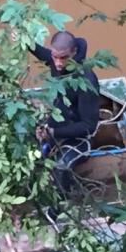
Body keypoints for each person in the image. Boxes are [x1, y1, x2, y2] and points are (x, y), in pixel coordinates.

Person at [31, 31, 100, 194]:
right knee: (30, 154)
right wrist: (25, 41)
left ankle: (61, 207)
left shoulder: (86, 79)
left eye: (63, 58)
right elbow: (42, 53)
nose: (58, 63)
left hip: (79, 137)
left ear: (74, 53)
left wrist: (54, 132)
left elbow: (89, 126)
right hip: (58, 123)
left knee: (60, 167)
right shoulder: (56, 62)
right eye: (55, 57)